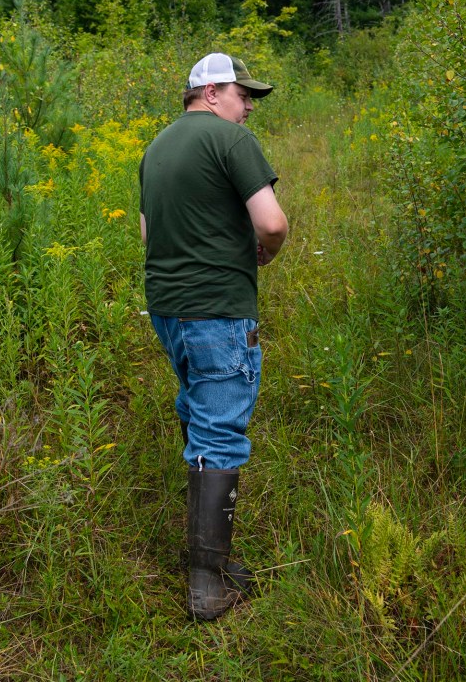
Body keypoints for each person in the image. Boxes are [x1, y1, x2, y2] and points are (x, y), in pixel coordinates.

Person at [138, 52, 288, 621]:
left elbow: (150, 235)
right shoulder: (230, 142)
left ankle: (211, 559)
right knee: (221, 429)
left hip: (168, 310)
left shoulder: (156, 149)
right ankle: (207, 585)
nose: (248, 105)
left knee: (201, 412)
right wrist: (264, 256)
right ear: (209, 93)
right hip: (218, 310)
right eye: (242, 94)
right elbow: (271, 222)